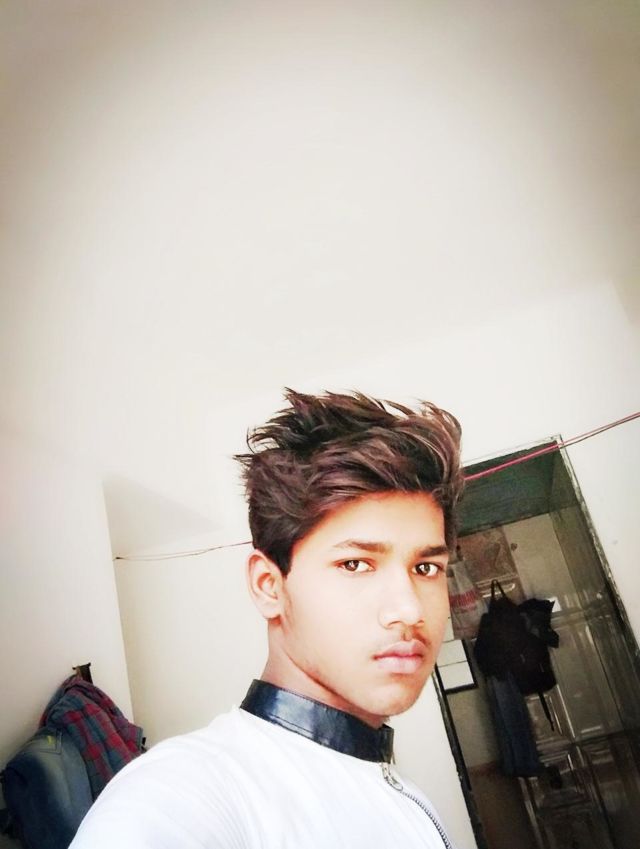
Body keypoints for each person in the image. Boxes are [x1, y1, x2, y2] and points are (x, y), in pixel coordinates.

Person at [70, 389, 464, 848]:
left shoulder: (392, 784)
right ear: (269, 586)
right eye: (355, 564)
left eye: (426, 568)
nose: (410, 609)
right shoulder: (184, 792)